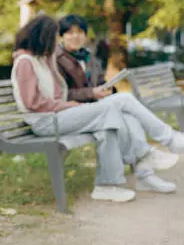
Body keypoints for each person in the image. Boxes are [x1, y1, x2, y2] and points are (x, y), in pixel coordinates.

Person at [11, 15, 184, 203]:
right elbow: (32, 103)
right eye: (54, 36)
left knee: (111, 121)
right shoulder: (25, 62)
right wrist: (70, 104)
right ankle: (153, 149)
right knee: (120, 104)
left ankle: (106, 186)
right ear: (42, 37)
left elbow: (55, 94)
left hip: (57, 115)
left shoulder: (41, 60)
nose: (56, 41)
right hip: (45, 121)